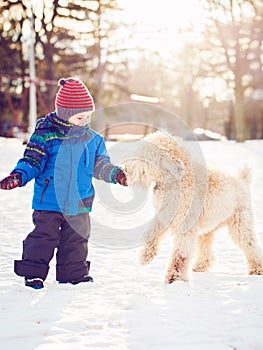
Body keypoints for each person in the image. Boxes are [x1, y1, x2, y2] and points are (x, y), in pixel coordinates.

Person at [0, 78, 127, 289]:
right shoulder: (45, 135)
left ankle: (73, 274)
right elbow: (32, 161)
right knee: (43, 238)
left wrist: (117, 175)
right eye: (80, 117)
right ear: (65, 114)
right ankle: (33, 274)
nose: (85, 121)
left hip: (79, 200)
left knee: (76, 240)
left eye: (88, 116)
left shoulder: (93, 140)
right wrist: (19, 176)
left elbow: (101, 165)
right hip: (49, 200)